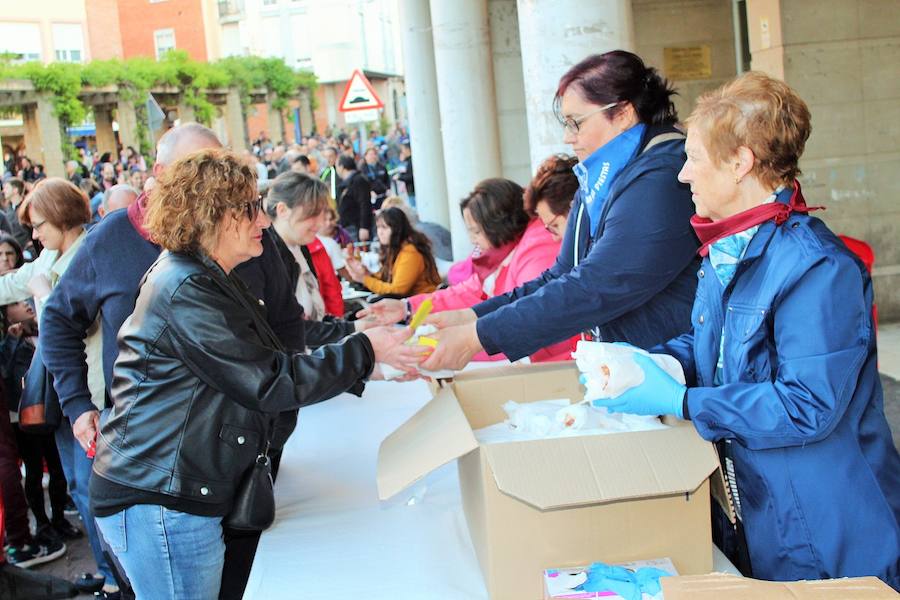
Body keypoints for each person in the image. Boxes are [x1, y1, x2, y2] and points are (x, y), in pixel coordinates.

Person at [591, 72, 900, 590]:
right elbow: (717, 347)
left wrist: (684, 401)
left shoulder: (817, 267)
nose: (684, 174)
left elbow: (807, 405)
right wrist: (656, 363)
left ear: (740, 163)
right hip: (763, 505)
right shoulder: (733, 247)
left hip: (824, 525)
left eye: (694, 158)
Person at [89, 148, 423, 599]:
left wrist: (368, 366)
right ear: (213, 215)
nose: (263, 220)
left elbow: (270, 358)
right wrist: (363, 352)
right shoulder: (188, 285)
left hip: (170, 490)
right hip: (159, 499)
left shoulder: (208, 277)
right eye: (250, 208)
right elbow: (267, 380)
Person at [419, 50, 699, 372]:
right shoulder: (599, 178)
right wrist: (471, 317)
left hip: (668, 370)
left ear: (623, 113)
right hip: (628, 366)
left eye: (575, 123)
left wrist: (476, 337)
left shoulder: (662, 178)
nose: (568, 137)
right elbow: (562, 275)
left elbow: (597, 285)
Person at [363, 163, 578, 362]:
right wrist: (408, 307)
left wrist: (464, 343)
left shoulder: (536, 251)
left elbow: (529, 324)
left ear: (498, 225)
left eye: (476, 232)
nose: (472, 240)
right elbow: (469, 292)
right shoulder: (500, 256)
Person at [266, 172, 344, 320]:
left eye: (322, 214)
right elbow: (291, 326)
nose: (320, 223)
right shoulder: (268, 257)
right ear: (282, 210)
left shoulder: (301, 246)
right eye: (312, 214)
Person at [346, 206, 440, 297]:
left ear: (397, 229)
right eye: (378, 227)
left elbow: (397, 291)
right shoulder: (394, 249)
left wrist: (364, 279)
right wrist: (367, 273)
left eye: (384, 228)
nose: (380, 232)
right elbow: (386, 278)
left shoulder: (411, 252)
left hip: (425, 303)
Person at [336, 155, 373, 242]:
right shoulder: (346, 183)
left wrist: (364, 227)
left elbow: (365, 204)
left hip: (356, 226)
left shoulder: (358, 180)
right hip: (347, 226)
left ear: (342, 167)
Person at [394, 143, 415, 207]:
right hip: (410, 190)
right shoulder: (407, 160)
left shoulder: (411, 161)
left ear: (407, 149)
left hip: (413, 190)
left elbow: (411, 176)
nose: (402, 152)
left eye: (403, 149)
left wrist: (399, 177)